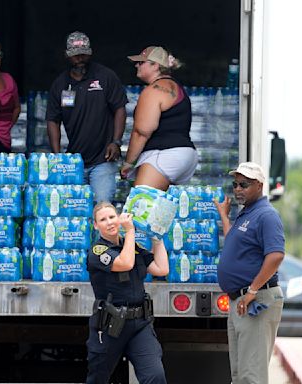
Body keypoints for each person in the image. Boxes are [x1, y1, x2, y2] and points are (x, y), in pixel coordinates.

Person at [214, 162, 285, 384]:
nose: (237, 189)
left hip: (256, 301)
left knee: (251, 377)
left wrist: (253, 291)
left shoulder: (267, 215)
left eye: (244, 184)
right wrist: (225, 217)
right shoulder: (247, 214)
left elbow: (276, 256)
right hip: (241, 301)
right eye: (235, 184)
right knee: (239, 375)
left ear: (259, 186)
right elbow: (236, 245)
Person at [86, 202, 168, 384]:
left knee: (155, 376)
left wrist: (157, 238)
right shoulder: (97, 252)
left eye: (112, 217)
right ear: (96, 225)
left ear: (118, 217)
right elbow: (125, 263)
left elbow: (161, 269)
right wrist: (130, 231)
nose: (109, 222)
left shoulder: (133, 246)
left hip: (139, 324)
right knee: (98, 378)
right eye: (103, 219)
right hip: (110, 325)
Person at [46, 31, 127, 204]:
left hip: (103, 160)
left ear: (90, 53)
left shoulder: (105, 77)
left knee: (102, 205)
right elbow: (53, 119)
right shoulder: (60, 84)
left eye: (83, 54)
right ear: (67, 56)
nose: (80, 58)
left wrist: (116, 142)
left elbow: (120, 108)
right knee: (75, 210)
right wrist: (57, 155)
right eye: (75, 55)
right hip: (74, 162)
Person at [120, 46, 197, 191]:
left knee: (141, 206)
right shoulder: (176, 87)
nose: (137, 65)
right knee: (163, 211)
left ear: (155, 65)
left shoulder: (154, 90)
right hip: (186, 154)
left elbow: (141, 132)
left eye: (141, 62)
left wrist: (129, 163)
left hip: (163, 155)